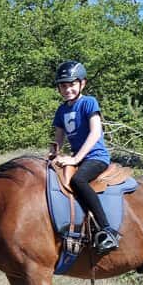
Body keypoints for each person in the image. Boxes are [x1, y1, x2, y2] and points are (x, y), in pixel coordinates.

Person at [51, 60, 120, 253]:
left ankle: (107, 230)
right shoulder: (61, 110)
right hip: (78, 157)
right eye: (63, 86)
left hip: (95, 157)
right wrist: (54, 154)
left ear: (82, 83)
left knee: (79, 180)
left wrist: (74, 159)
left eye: (72, 84)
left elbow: (95, 133)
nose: (67, 89)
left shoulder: (89, 102)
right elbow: (59, 137)